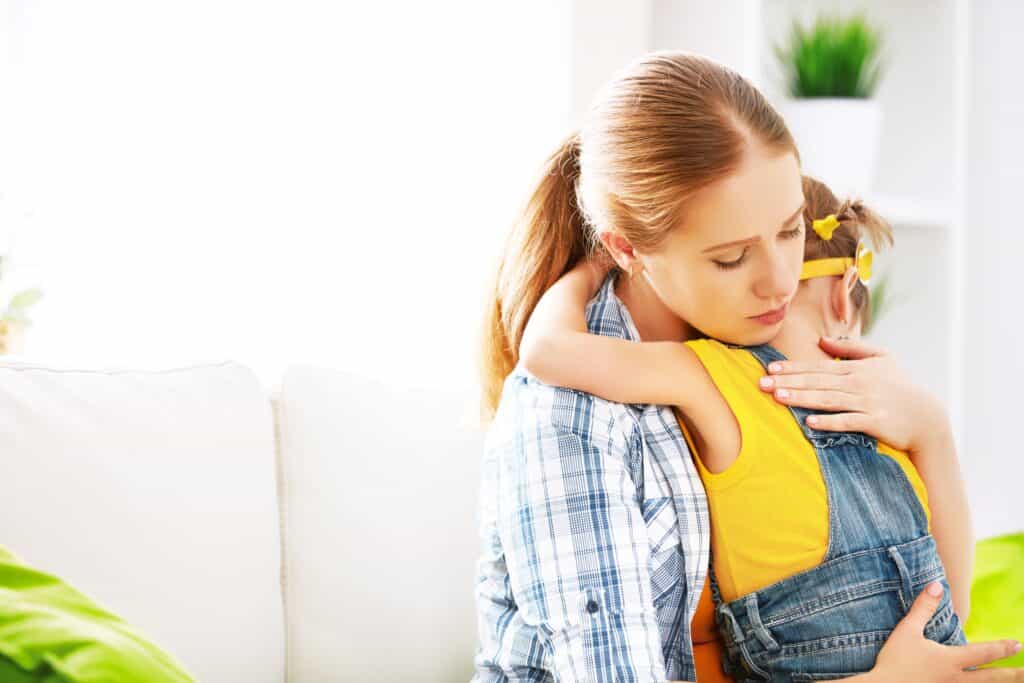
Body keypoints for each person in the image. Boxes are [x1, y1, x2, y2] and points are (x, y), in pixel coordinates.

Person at [474, 51, 1024, 682]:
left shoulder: (763, 355)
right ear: (626, 248)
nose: (779, 283)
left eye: (791, 231)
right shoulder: (573, 418)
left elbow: (940, 607)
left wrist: (930, 428)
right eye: (732, 258)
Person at [518, 175, 972, 679]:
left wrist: (590, 268)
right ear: (845, 297)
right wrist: (934, 430)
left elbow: (546, 351)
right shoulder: (899, 420)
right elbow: (951, 610)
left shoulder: (710, 376)